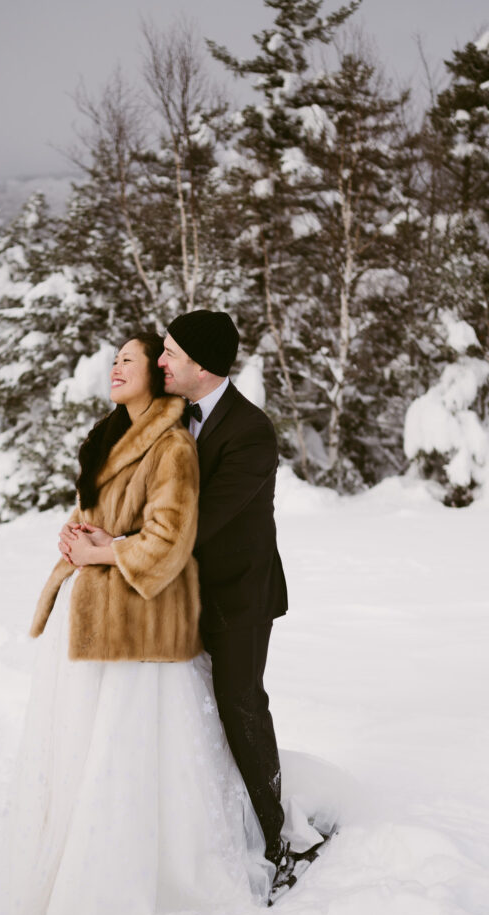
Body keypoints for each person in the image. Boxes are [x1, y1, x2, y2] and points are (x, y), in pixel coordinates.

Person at [0, 332, 273, 915]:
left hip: (146, 619)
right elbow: (99, 510)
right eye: (116, 359)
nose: (119, 367)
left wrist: (104, 550)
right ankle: (82, 860)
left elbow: (171, 537)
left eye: (136, 359)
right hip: (93, 616)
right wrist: (76, 535)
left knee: (142, 745)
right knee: (84, 748)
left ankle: (256, 842)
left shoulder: (176, 443)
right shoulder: (110, 434)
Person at [158, 310, 289, 871]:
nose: (160, 361)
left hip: (238, 599)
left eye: (170, 353)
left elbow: (198, 522)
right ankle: (211, 824)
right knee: (190, 712)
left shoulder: (250, 432)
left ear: (202, 365)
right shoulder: (171, 415)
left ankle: (275, 835)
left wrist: (116, 547)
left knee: (240, 708)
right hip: (180, 595)